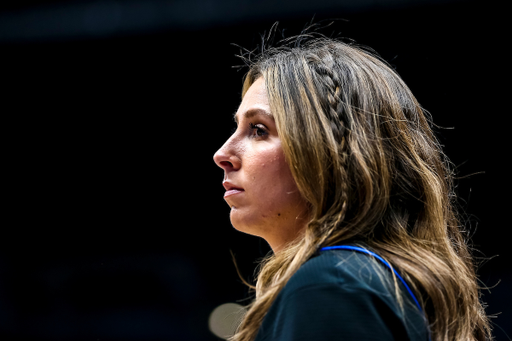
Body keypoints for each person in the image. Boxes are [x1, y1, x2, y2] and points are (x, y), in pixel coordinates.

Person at [213, 36, 492, 341]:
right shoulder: (370, 280)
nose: (222, 154)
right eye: (237, 127)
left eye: (259, 130)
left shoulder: (330, 285)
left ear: (327, 154)